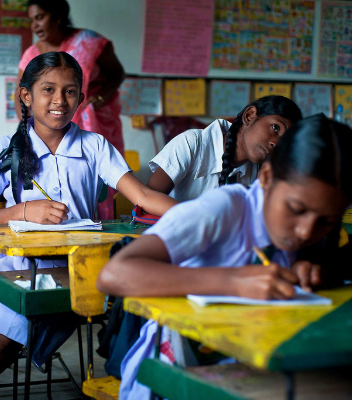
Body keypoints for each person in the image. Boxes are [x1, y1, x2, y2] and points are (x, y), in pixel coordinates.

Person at [0, 51, 176, 400]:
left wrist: (200, 213)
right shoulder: (6, 149)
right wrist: (23, 211)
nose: (59, 100)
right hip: (9, 261)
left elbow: (142, 195)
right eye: (48, 89)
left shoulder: (95, 146)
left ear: (81, 99)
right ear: (26, 96)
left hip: (68, 266)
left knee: (10, 335)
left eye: (70, 91)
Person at [96, 114, 352, 400]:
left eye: (326, 221)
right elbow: (114, 274)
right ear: (267, 178)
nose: (306, 231)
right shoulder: (225, 209)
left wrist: (312, 272)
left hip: (253, 365)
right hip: (174, 373)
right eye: (296, 209)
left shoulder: (308, 235)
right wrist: (233, 282)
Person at [18, 0, 126, 219]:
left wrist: (100, 98)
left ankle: (103, 228)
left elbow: (116, 73)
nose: (34, 25)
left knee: (101, 183)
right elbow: (20, 92)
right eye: (31, 20)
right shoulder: (31, 54)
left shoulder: (89, 41)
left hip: (95, 122)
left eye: (40, 17)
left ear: (57, 15)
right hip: (50, 133)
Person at [146, 95, 303, 201]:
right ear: (249, 116)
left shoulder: (259, 173)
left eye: (285, 141)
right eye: (275, 128)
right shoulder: (192, 143)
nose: (276, 143)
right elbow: (146, 201)